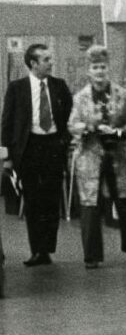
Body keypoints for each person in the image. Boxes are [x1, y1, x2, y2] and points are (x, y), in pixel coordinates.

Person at [1, 43, 73, 266]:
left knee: (52, 199)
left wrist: (65, 142)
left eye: (51, 58)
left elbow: (69, 115)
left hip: (53, 145)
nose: (51, 63)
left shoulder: (59, 86)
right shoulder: (17, 88)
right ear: (33, 63)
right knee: (32, 199)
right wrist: (7, 156)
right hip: (28, 147)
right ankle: (36, 250)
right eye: (46, 59)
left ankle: (47, 248)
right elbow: (7, 121)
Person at [69, 45, 126, 267]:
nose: (99, 71)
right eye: (95, 67)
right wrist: (89, 127)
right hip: (90, 155)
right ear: (88, 71)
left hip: (118, 155)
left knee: (124, 203)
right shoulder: (80, 97)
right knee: (90, 205)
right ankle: (92, 256)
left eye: (102, 67)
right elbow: (72, 124)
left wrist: (117, 131)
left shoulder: (121, 94)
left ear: (108, 69)